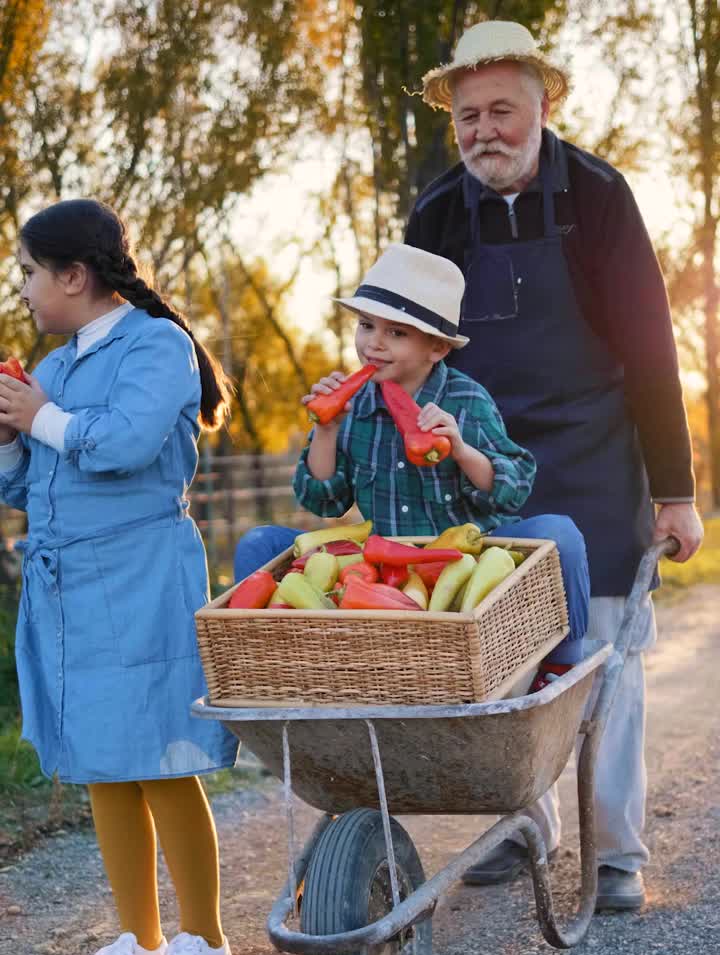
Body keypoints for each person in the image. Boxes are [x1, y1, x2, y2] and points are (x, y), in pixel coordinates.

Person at [404, 19, 704, 909]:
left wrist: (677, 490)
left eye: (502, 109)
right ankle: (523, 825)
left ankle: (614, 856)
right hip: (482, 461)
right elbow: (414, 347)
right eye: (468, 116)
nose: (484, 130)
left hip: (595, 455)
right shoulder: (436, 212)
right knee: (502, 660)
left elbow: (653, 347)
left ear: (544, 107)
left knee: (605, 655)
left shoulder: (599, 196)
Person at [0, 199, 238, 955]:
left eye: (29, 272)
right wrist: (11, 434)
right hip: (68, 584)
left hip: (139, 573)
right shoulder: (59, 366)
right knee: (104, 760)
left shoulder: (156, 344)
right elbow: (31, 483)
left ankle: (205, 940)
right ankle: (142, 939)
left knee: (159, 754)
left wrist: (44, 417)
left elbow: (128, 442)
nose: (24, 288)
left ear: (74, 275)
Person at [234, 242, 590, 687]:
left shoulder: (465, 399)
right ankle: (275, 673)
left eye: (396, 333)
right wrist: (326, 426)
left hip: (472, 556)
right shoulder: (353, 402)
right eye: (366, 326)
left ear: (437, 348)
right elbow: (323, 499)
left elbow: (513, 486)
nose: (374, 344)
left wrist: (460, 448)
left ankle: (561, 666)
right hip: (385, 565)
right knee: (259, 544)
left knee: (562, 534)